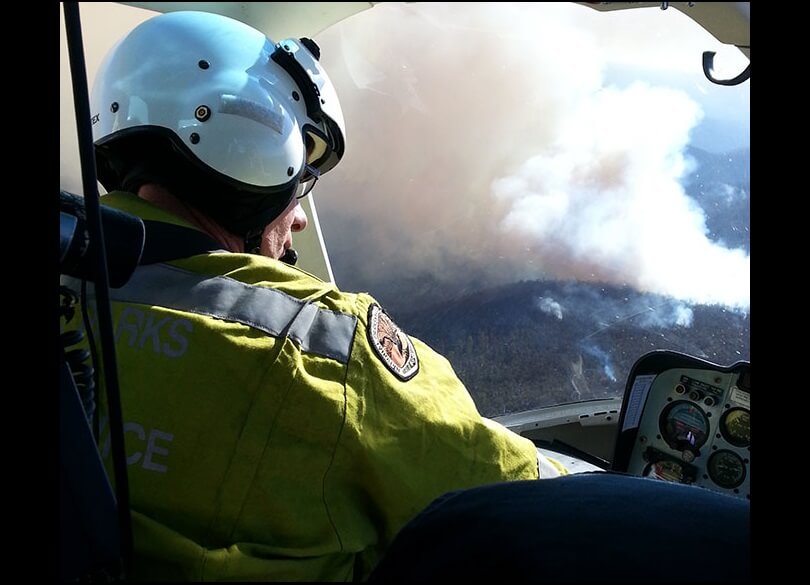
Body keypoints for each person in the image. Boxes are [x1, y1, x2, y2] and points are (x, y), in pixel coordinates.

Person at [66, 10, 567, 582]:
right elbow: (519, 498)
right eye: (299, 182)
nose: (298, 219)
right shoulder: (323, 350)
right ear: (248, 148)